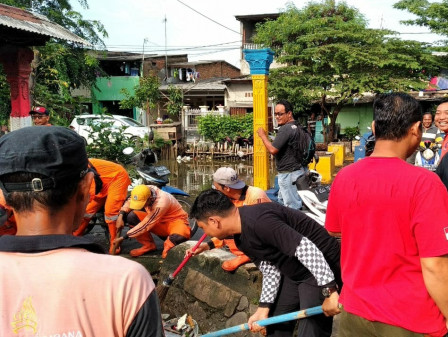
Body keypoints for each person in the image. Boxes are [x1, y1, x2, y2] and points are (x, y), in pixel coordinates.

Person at [0, 126, 163, 336]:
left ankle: (115, 242)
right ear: (85, 187)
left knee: (110, 214)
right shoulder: (127, 280)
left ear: (6, 196)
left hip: (114, 181)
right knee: (102, 214)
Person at [325, 93, 448, 337]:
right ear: (416, 129)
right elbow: (435, 266)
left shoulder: (345, 177)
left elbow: (333, 229)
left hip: (352, 313)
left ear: (373, 128)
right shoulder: (425, 184)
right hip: (408, 320)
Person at [190, 189, 341, 337]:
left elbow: (307, 249)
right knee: (274, 323)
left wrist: (330, 290)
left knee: (311, 327)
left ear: (214, 221)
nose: (206, 234)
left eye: (203, 228)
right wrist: (263, 308)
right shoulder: (240, 238)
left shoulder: (260, 221)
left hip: (320, 264)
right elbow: (269, 269)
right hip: (293, 268)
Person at [186, 167, 271, 272]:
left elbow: (263, 230)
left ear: (226, 188)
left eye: (216, 188)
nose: (215, 191)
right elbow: (223, 230)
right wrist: (205, 246)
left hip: (259, 245)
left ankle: (248, 255)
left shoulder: (255, 196)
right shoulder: (228, 200)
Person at [114, 184, 191, 258]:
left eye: (143, 203)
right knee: (132, 216)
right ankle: (148, 246)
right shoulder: (143, 190)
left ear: (150, 198)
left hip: (174, 222)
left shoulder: (161, 202)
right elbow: (130, 200)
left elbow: (146, 224)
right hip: (157, 222)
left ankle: (167, 253)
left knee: (179, 237)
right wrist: (121, 215)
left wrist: (123, 238)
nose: (142, 206)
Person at [73, 158, 131, 254]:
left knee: (111, 212)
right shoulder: (71, 168)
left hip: (117, 178)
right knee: (87, 211)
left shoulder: (81, 167)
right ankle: (75, 236)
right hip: (102, 182)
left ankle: (115, 243)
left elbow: (89, 192)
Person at [257, 99, 304, 209]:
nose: (277, 117)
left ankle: (294, 226)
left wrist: (263, 136)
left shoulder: (286, 129)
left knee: (292, 208)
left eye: (280, 114)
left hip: (289, 174)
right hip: (298, 170)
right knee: (284, 204)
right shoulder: (298, 127)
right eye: (275, 114)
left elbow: (273, 150)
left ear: (289, 114)